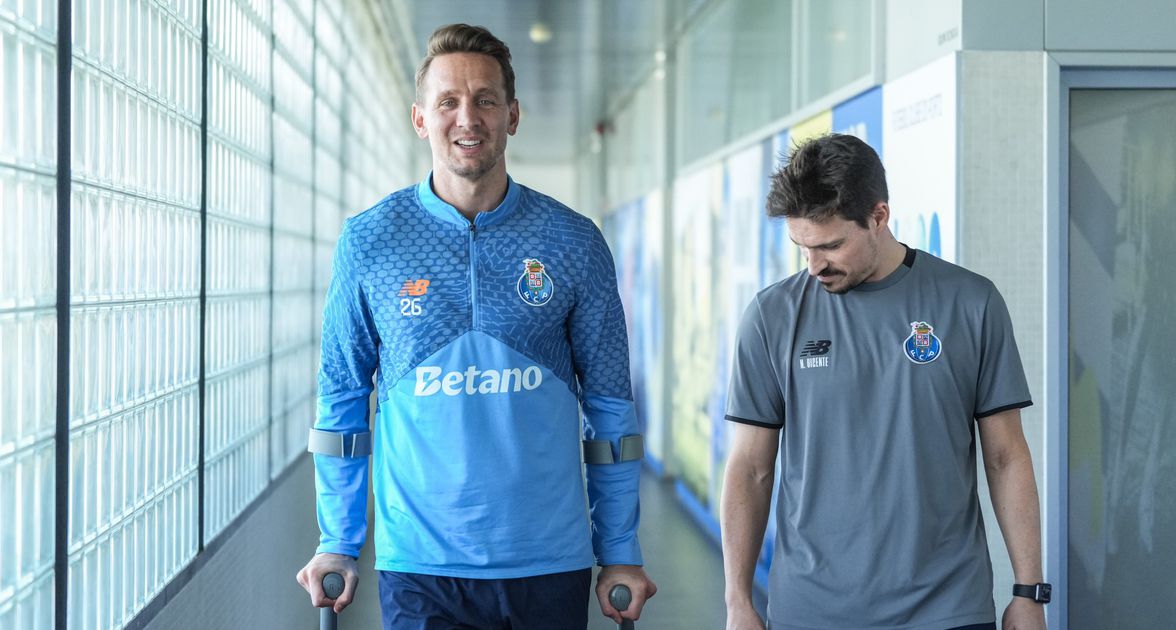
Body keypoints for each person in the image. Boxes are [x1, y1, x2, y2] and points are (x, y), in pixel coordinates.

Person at [295, 23, 656, 629]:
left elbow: (610, 410)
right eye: (448, 102)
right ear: (420, 119)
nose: (468, 118)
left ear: (512, 115)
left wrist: (620, 550)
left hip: (549, 561)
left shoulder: (574, 242)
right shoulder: (369, 242)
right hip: (420, 565)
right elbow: (341, 403)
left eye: (486, 100)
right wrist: (338, 539)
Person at [720, 134, 1049, 630]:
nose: (814, 266)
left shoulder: (971, 303)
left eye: (831, 245)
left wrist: (1029, 592)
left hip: (947, 609)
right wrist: (738, 602)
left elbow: (1005, 456)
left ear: (879, 216)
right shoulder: (772, 316)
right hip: (812, 611)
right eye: (802, 247)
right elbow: (750, 469)